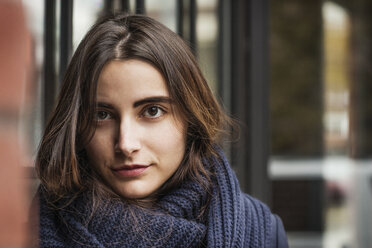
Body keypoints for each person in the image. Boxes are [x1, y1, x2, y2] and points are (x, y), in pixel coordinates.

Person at [35, 13, 288, 247]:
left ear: (191, 117)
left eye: (152, 111)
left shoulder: (262, 233)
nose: (126, 143)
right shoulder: (29, 230)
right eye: (102, 115)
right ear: (77, 126)